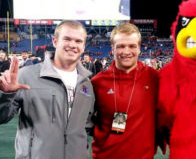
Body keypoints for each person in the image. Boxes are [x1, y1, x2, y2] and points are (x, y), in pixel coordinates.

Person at [0, 20, 95, 159]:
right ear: (55, 41)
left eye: (78, 41)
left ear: (83, 46)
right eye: (67, 39)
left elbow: (86, 125)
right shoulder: (27, 75)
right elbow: (2, 117)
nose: (73, 45)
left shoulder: (86, 84)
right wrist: (6, 94)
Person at [91, 23, 158, 159]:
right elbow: (84, 120)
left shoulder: (155, 78)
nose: (126, 52)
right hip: (105, 156)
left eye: (132, 46)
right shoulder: (97, 82)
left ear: (139, 48)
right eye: (121, 46)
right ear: (112, 49)